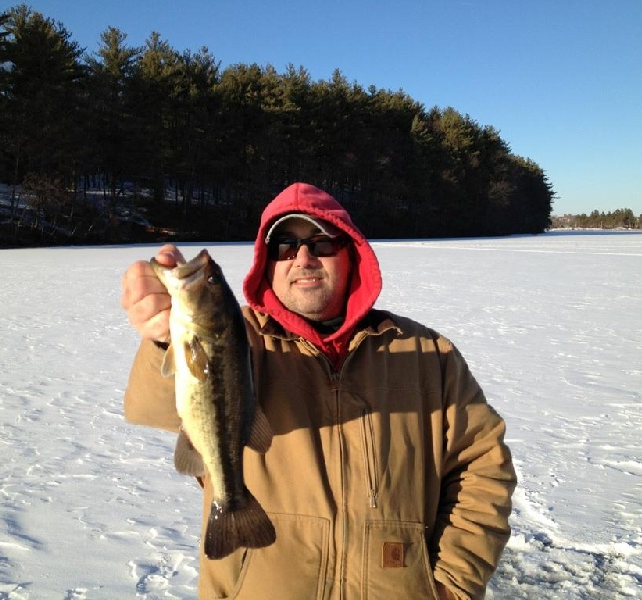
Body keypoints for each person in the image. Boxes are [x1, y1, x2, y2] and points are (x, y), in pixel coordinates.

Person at [120, 182, 517, 600]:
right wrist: (164, 340)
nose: (303, 258)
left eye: (320, 242)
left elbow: (483, 467)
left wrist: (453, 581)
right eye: (285, 246)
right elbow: (154, 407)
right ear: (267, 263)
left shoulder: (426, 353)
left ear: (350, 253)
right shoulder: (240, 342)